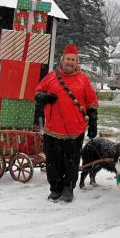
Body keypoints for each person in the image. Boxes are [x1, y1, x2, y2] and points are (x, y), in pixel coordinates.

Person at [35, 43, 98, 203]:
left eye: (73, 59)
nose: (70, 62)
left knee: (72, 161)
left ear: (76, 62)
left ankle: (68, 188)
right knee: (53, 161)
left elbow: (91, 102)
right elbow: (37, 92)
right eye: (67, 59)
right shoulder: (51, 76)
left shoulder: (83, 79)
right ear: (62, 59)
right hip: (53, 129)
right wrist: (44, 97)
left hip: (75, 130)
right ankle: (55, 189)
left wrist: (93, 122)